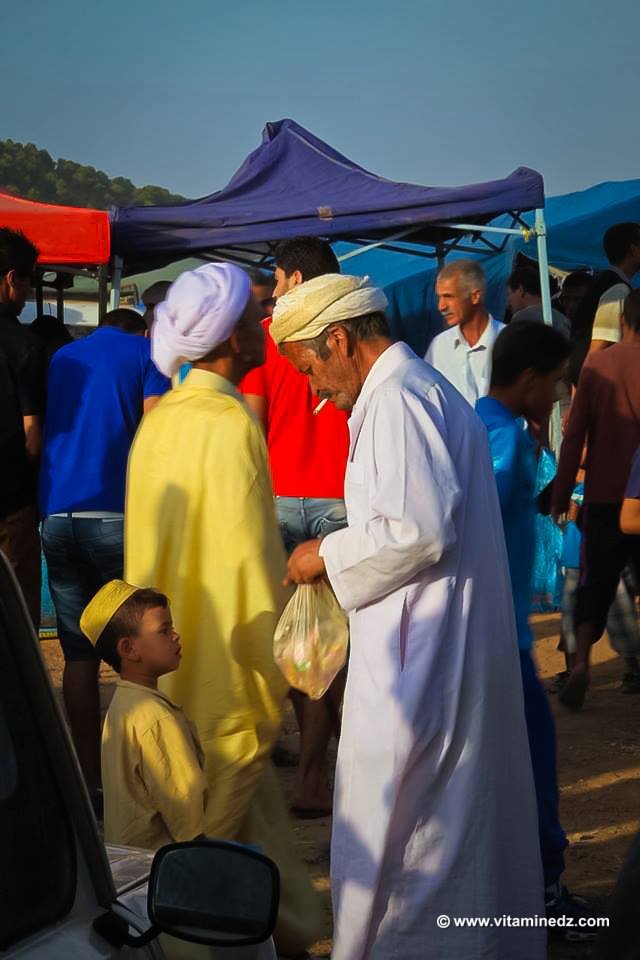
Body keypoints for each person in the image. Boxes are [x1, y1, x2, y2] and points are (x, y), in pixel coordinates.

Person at [273, 272, 545, 959]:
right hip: (428, 648)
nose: (313, 388)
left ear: (338, 339)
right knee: (435, 831)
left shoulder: (398, 400)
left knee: (416, 839)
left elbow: (417, 531)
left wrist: (321, 555)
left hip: (423, 664)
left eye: (311, 367)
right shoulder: (417, 391)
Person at [125, 262, 322, 956]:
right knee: (211, 883)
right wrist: (273, 670)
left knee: (231, 860)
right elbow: (249, 566)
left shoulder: (159, 424)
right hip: (221, 682)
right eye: (253, 313)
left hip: (165, 678)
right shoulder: (230, 423)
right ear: (229, 335)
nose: (260, 325)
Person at [476, 322, 600, 938]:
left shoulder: (481, 424)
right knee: (535, 759)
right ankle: (544, 891)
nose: (557, 395)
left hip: (490, 633)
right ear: (529, 380)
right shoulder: (504, 443)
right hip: (503, 637)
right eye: (553, 382)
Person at [39, 307, 170, 804]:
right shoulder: (147, 353)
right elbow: (156, 431)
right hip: (116, 513)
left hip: (58, 514)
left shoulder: (64, 357)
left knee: (76, 653)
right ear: (139, 329)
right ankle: (138, 773)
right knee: (138, 647)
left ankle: (89, 779)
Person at [241, 236, 350, 817]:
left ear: (295, 278)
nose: (275, 292)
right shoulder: (348, 332)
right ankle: (321, 774)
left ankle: (310, 776)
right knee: (333, 649)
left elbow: (254, 427)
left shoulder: (267, 337)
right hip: (339, 499)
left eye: (279, 281)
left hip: (282, 498)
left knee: (301, 646)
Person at [553, 289, 640, 710]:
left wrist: (562, 488)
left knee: (595, 584)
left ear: (624, 323)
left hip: (604, 494)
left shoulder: (598, 367)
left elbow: (573, 439)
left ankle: (583, 664)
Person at [80, 580, 207, 850]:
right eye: (164, 630)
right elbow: (188, 822)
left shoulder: (121, 705)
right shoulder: (157, 719)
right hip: (165, 872)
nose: (175, 636)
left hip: (130, 871)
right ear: (128, 649)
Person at [0, 227, 44, 629]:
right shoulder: (22, 344)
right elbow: (33, 437)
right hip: (11, 497)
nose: (30, 291)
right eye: (31, 279)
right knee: (16, 606)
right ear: (12, 278)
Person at [568, 222, 640, 386]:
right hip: (601, 387)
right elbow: (598, 348)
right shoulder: (617, 290)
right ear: (633, 250)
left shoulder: (605, 283)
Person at [425, 259, 504, 405]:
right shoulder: (439, 347)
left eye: (448, 296)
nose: (441, 306)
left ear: (475, 296)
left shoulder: (509, 340)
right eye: (439, 297)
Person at [507, 265, 571, 338]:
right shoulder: (562, 319)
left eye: (508, 294)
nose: (508, 300)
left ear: (520, 290)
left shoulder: (522, 317)